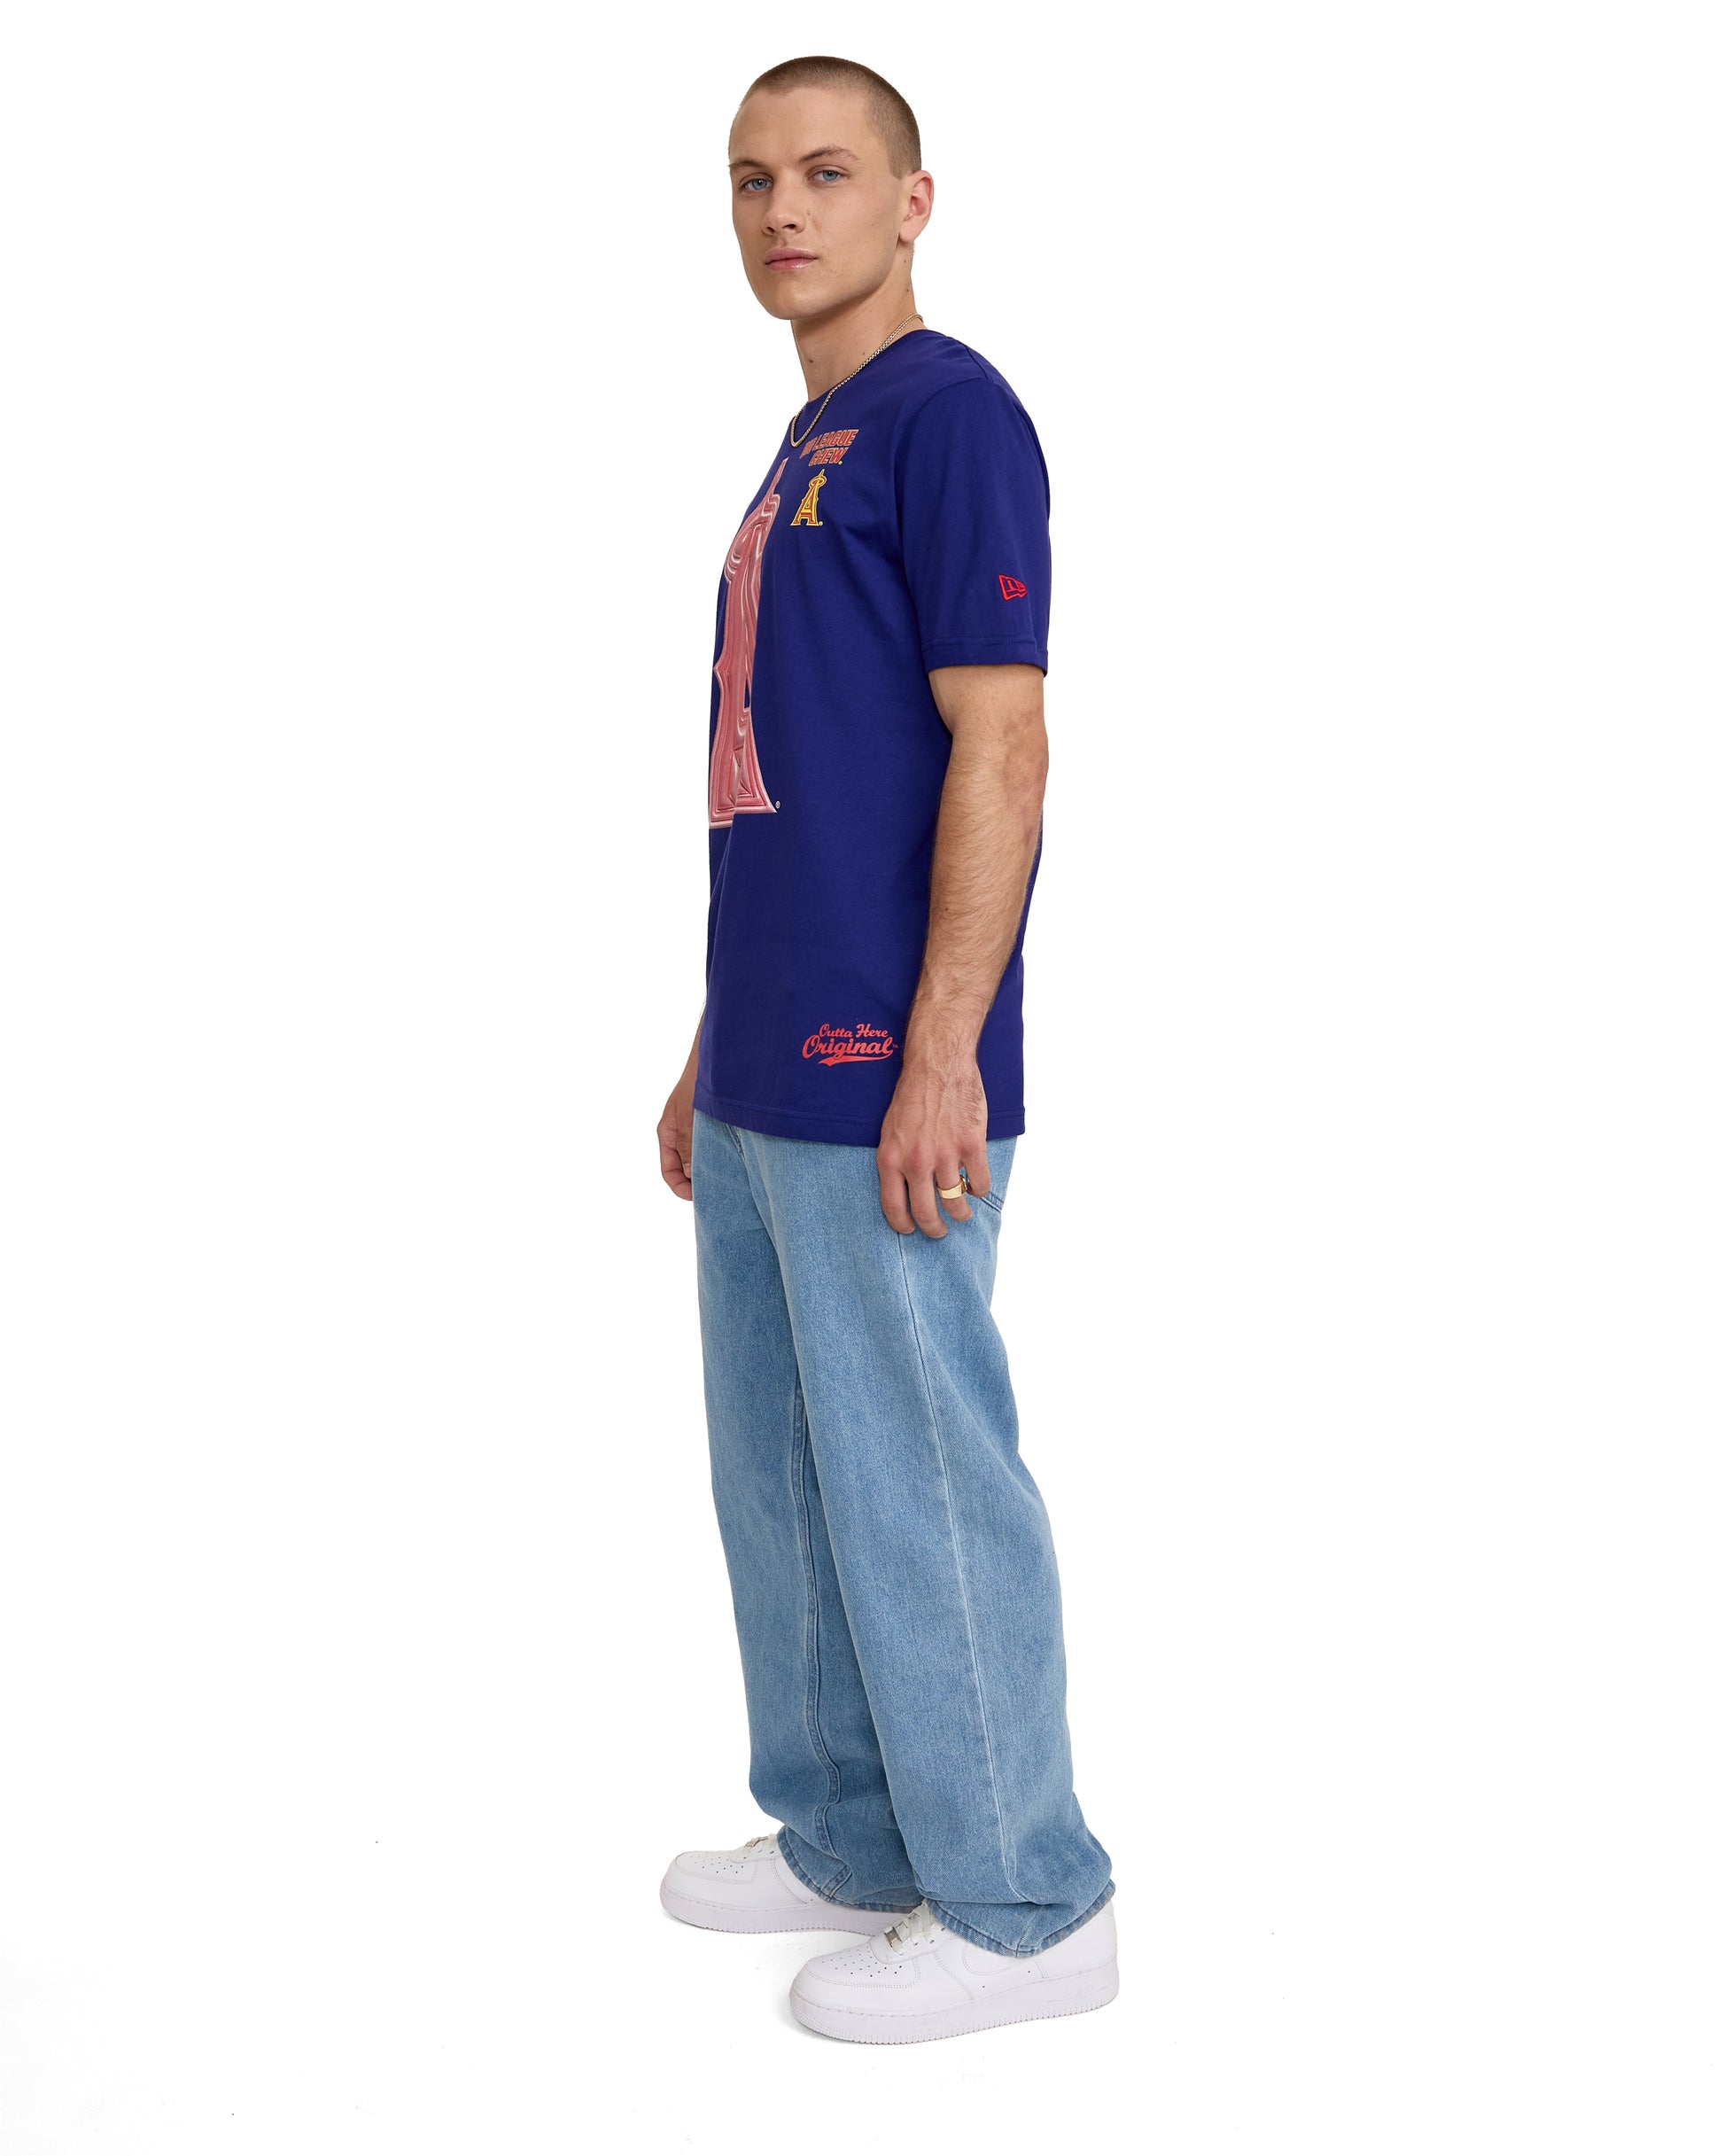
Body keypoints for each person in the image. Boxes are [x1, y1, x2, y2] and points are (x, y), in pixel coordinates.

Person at [655, 53, 1116, 2045]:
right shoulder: (801, 447)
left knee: (922, 1474)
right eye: (753, 177)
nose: (784, 209)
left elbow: (1000, 744)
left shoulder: (949, 416)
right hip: (766, 1061)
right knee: (780, 1481)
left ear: (911, 202)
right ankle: (849, 1831)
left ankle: (1024, 1897)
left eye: (828, 173)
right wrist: (708, 1040)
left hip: (883, 1069)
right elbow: (796, 775)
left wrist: (944, 1053)